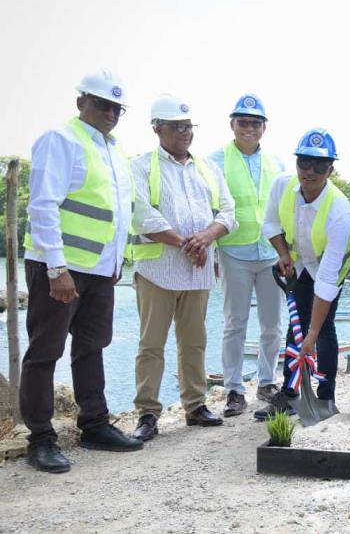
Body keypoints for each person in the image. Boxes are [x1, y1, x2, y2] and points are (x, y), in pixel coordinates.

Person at [20, 69, 143, 472]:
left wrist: (115, 263)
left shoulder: (114, 151)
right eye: (102, 104)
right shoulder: (62, 139)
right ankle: (40, 437)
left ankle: (94, 424)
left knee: (92, 347)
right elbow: (42, 206)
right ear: (81, 103)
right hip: (60, 268)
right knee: (45, 351)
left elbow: (117, 214)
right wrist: (57, 268)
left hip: (98, 271)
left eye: (117, 108)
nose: (110, 113)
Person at [130, 94, 238, 441]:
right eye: (176, 127)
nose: (184, 133)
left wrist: (205, 237)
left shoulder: (208, 168)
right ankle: (147, 413)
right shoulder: (143, 166)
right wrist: (186, 243)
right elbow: (142, 215)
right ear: (156, 128)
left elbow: (228, 212)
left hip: (197, 271)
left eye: (188, 126)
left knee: (194, 342)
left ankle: (195, 405)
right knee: (151, 344)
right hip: (157, 271)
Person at [253, 128, 350, 420]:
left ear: (331, 169)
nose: (310, 171)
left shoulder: (339, 210)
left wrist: (311, 334)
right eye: (304, 163)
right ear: (296, 162)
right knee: (295, 326)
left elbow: (326, 282)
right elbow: (270, 225)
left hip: (327, 267)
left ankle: (325, 396)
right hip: (297, 262)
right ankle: (290, 392)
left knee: (322, 329)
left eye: (320, 165)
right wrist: (283, 255)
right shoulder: (282, 185)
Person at [208, 94, 285, 417]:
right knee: (234, 324)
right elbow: (208, 209)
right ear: (232, 124)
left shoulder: (277, 164)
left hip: (269, 253)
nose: (249, 128)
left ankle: (267, 382)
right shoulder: (215, 161)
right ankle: (235, 389)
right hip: (233, 253)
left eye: (255, 123)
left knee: (272, 325)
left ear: (264, 128)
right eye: (243, 122)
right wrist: (212, 252)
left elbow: (284, 208)